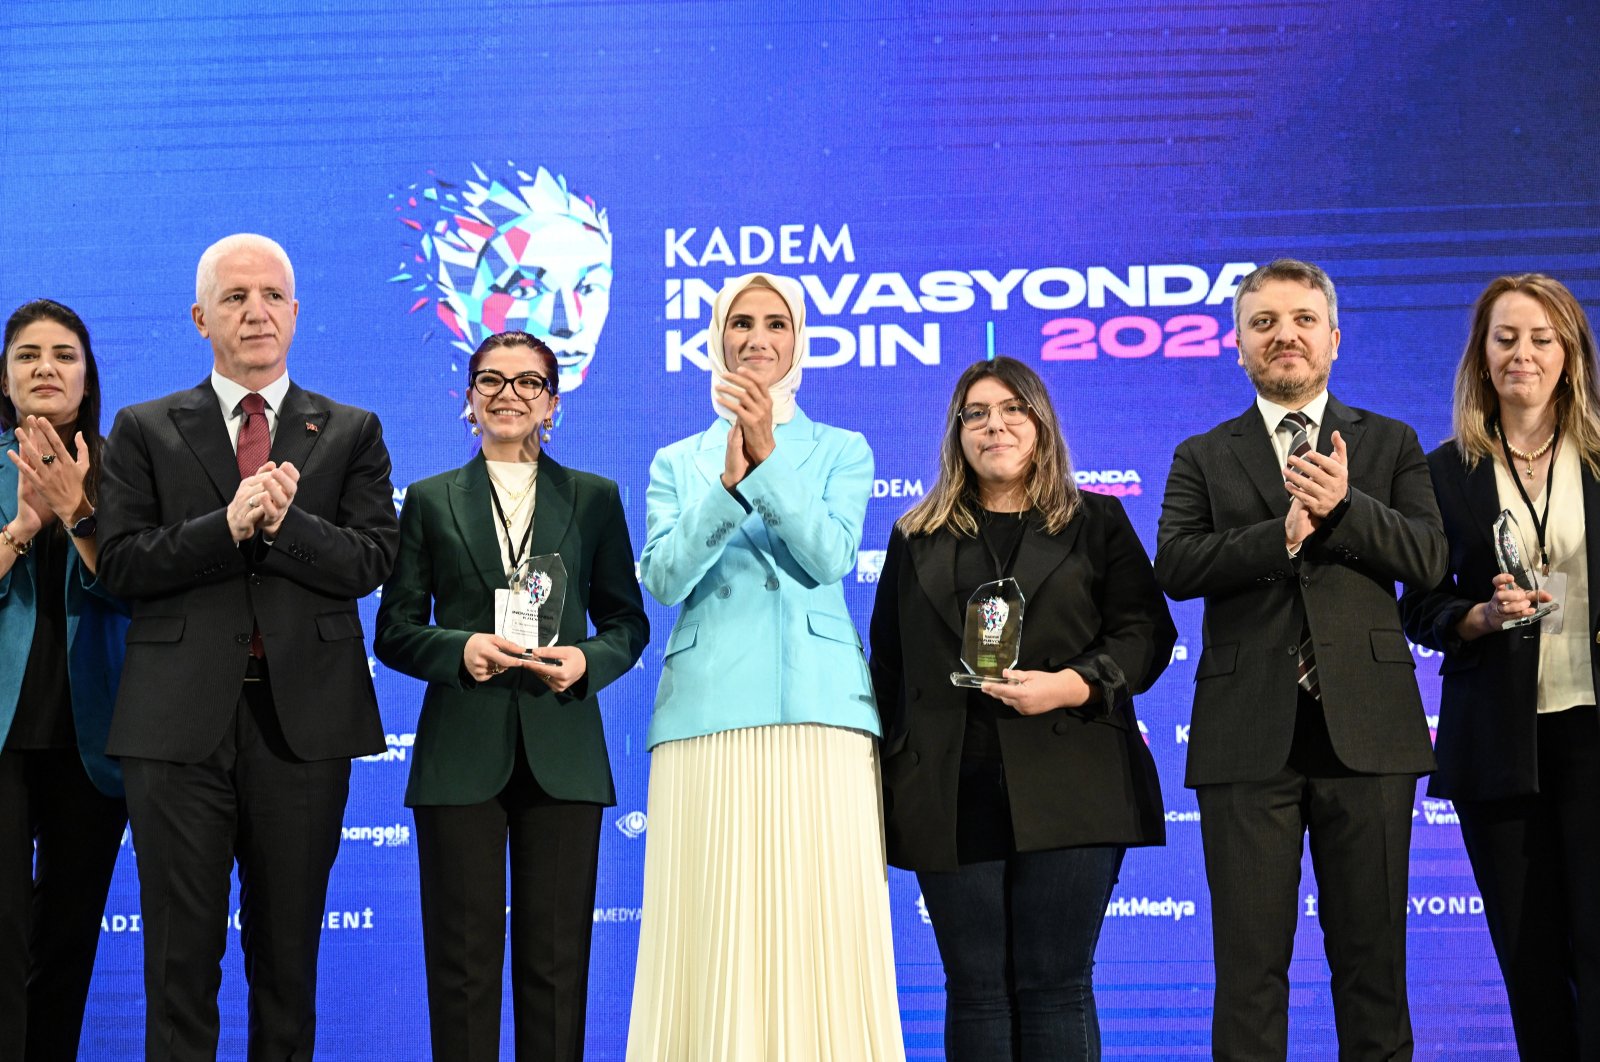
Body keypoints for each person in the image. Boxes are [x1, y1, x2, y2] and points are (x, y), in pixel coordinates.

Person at [97, 233, 398, 1060]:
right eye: (234, 298)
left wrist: (287, 522)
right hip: (177, 730)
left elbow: (372, 560)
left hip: (303, 726)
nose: (255, 312)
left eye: (271, 295)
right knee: (179, 965)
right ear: (201, 317)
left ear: (296, 313)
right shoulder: (146, 428)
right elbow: (122, 564)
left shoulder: (350, 431)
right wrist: (225, 526)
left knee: (288, 968)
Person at [1154, 258, 1447, 1060]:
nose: (1284, 335)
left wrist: (1345, 508)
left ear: (1334, 339)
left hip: (1370, 737)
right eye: (1264, 323)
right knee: (1249, 973)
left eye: (1302, 320)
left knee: (1374, 966)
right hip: (1247, 738)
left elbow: (1426, 557)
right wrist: (1278, 537)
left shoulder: (1390, 442)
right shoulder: (1203, 454)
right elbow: (1175, 565)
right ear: (1238, 345)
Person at [626, 272, 904, 1061]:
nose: (756, 338)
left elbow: (828, 558)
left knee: (823, 924)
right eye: (740, 323)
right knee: (709, 922)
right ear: (716, 339)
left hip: (820, 715)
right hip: (706, 714)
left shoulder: (843, 450)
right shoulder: (678, 460)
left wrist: (769, 457)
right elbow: (666, 578)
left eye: (775, 323)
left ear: (798, 340)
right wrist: (726, 484)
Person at [869, 356, 1172, 1060]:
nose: (993, 425)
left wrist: (1069, 684)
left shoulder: (1097, 520)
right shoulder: (915, 535)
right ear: (956, 435)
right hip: (949, 790)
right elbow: (889, 665)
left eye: (1011, 409)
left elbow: (1146, 635)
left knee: (1054, 985)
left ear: (1040, 423)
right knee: (973, 989)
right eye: (975, 414)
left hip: (1073, 782)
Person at [374, 330, 647, 1061]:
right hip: (461, 751)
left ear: (552, 403)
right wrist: (458, 648)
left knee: (555, 967)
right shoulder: (430, 501)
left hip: (563, 746)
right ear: (469, 401)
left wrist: (586, 662)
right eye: (491, 380)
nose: (508, 394)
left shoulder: (593, 498)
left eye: (529, 383)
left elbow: (627, 622)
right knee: (461, 969)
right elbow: (394, 630)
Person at [1400, 274, 1600, 1058]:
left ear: (1570, 354)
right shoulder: (1441, 470)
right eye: (1505, 338)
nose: (1523, 354)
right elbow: (1418, 605)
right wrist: (1476, 617)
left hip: (1593, 731)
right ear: (1481, 357)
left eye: (1541, 338)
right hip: (1498, 746)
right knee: (1530, 960)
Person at [0, 299, 128, 1061]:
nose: (45, 367)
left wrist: (77, 509)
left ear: (87, 376)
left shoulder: (128, 469)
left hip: (95, 739)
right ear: (5, 377)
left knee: (69, 940)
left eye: (63, 354)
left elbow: (137, 591)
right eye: (26, 355)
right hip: (5, 740)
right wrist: (20, 529)